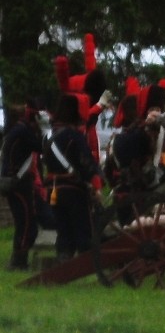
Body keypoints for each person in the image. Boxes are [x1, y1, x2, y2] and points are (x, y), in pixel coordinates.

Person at [43, 93, 102, 261]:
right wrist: (96, 186)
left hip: (52, 189)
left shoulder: (47, 137)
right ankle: (85, 264)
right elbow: (87, 163)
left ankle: (63, 260)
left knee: (63, 230)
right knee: (82, 228)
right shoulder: (74, 136)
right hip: (73, 189)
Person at [2, 99, 45, 270]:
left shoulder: (17, 130)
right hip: (18, 183)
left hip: (14, 182)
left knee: (23, 221)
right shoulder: (23, 131)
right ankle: (19, 260)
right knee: (27, 222)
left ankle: (18, 258)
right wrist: (45, 130)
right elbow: (41, 147)